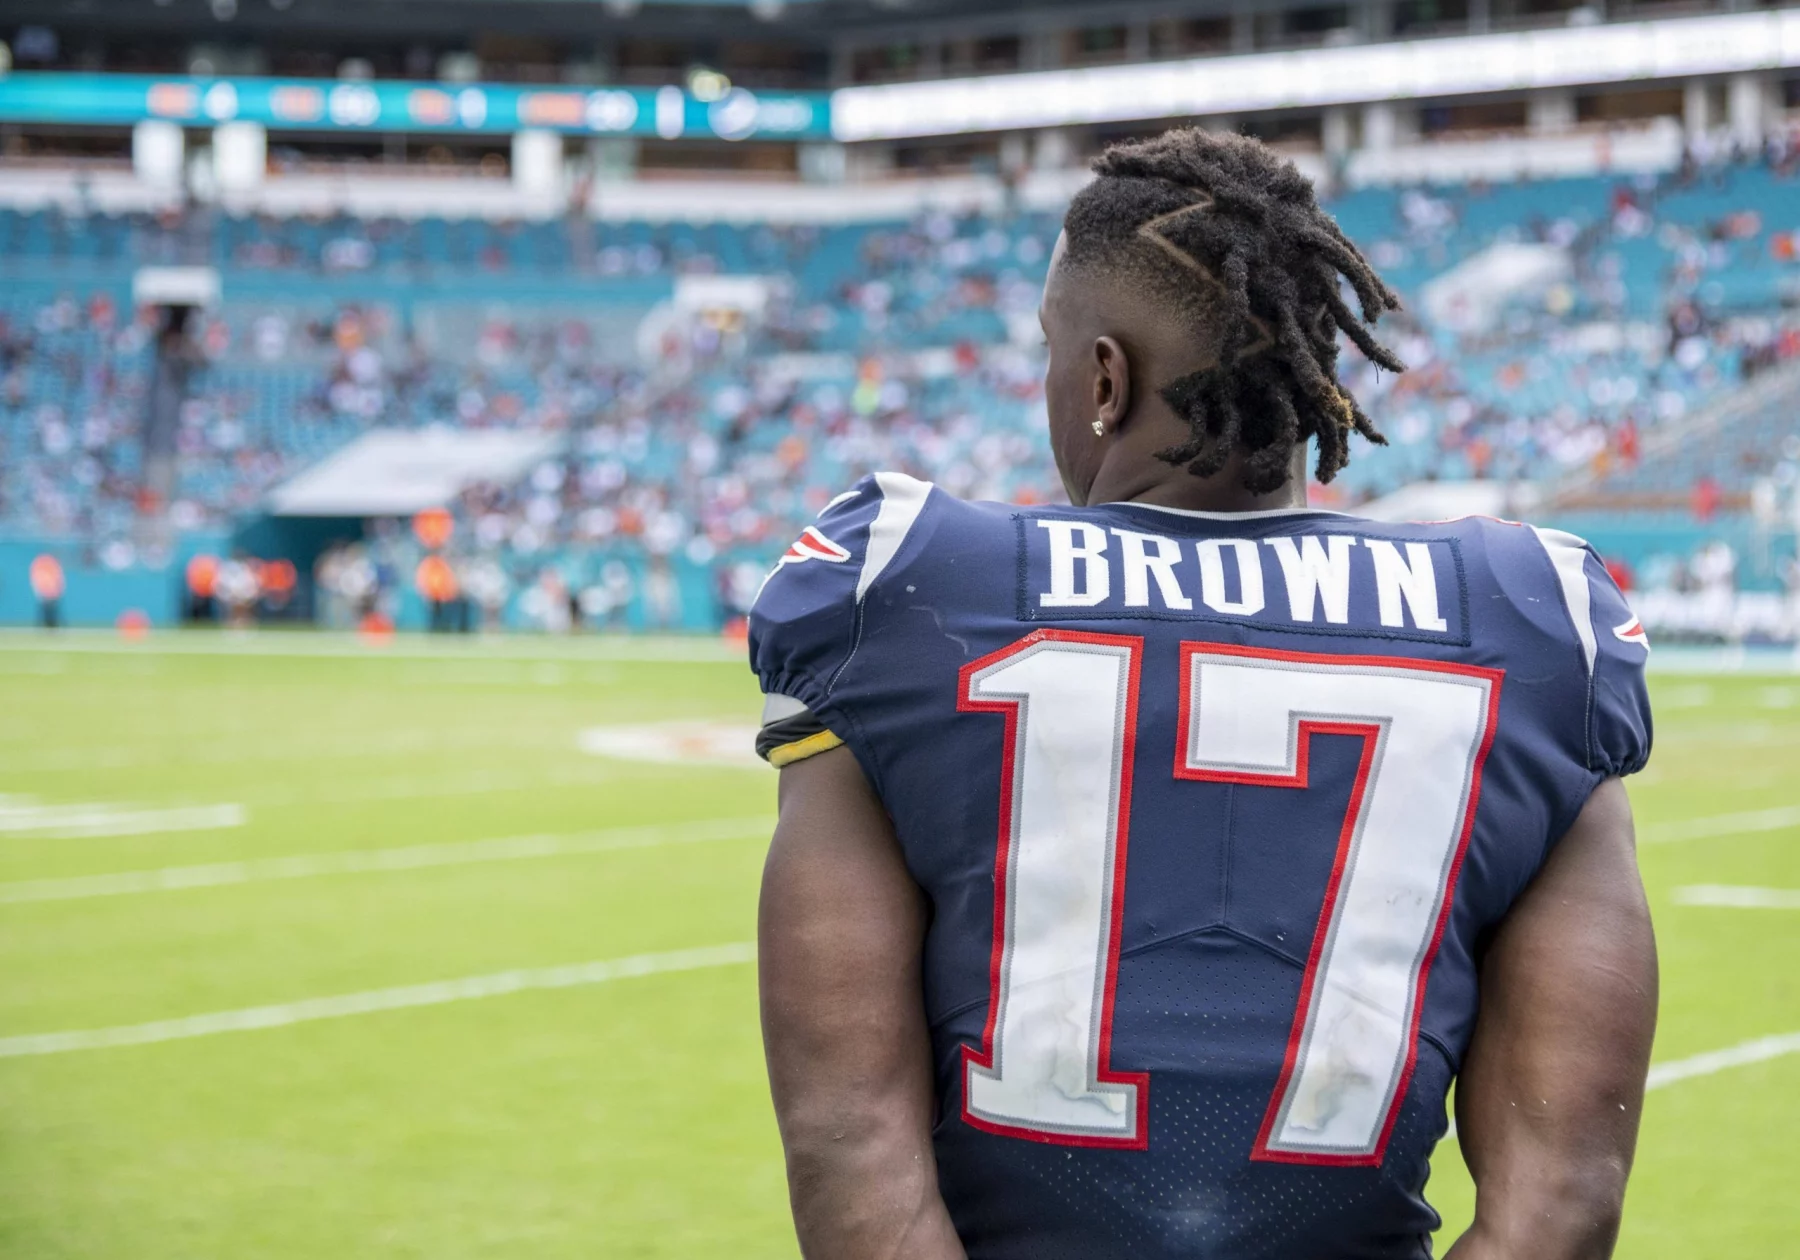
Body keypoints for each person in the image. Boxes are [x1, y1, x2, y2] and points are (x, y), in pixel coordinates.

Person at [750, 130, 1655, 1260]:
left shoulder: (906, 583)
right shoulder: (1530, 613)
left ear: (1105, 378)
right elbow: (1562, 1197)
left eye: (1052, 348)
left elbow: (849, 1142)